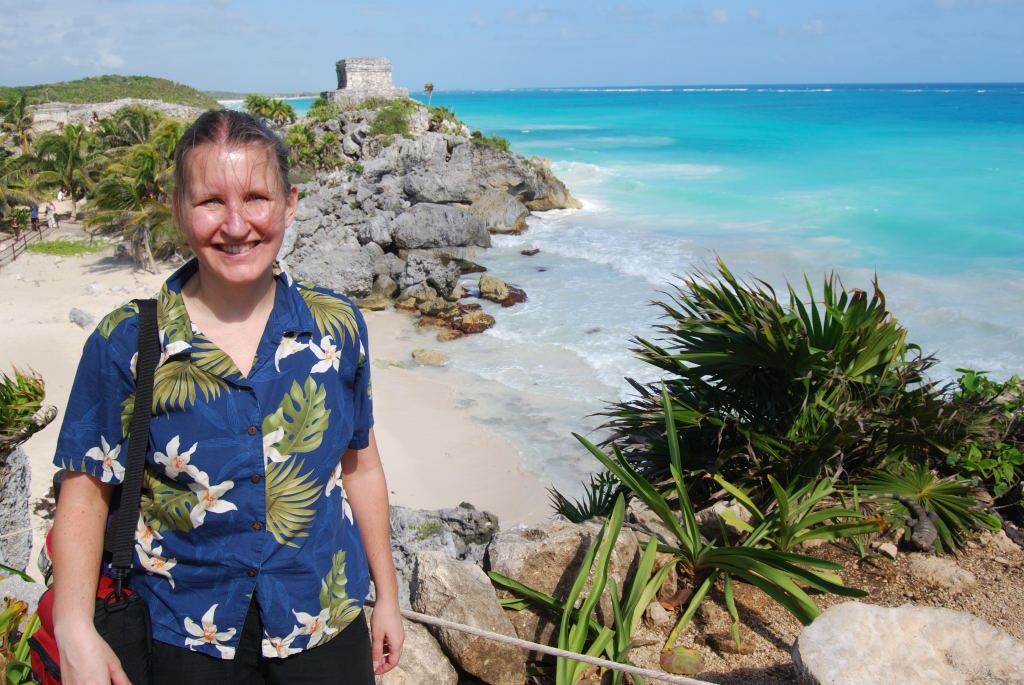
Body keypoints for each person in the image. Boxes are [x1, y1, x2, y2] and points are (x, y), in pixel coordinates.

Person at [50, 109, 404, 684]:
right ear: (179, 210)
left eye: (257, 198)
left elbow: (360, 466)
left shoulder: (337, 326)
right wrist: (74, 630)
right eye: (211, 201)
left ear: (290, 204)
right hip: (182, 633)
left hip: (324, 619)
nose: (236, 225)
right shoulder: (127, 342)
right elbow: (86, 493)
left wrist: (386, 597)